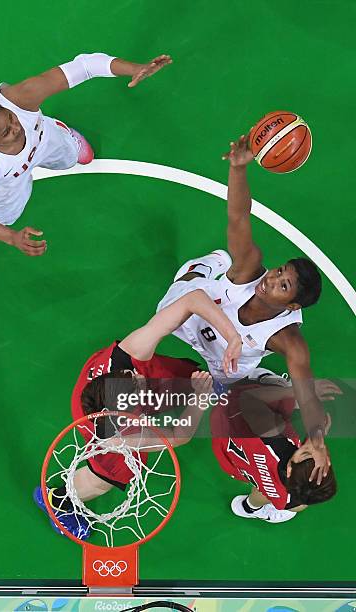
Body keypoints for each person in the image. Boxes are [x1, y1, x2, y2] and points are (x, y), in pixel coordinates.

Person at [156, 135, 330, 482]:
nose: (273, 279)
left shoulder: (287, 339)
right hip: (191, 317)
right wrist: (238, 169)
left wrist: (318, 439)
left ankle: (257, 383)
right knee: (176, 297)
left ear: (291, 304)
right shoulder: (251, 269)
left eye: (283, 285)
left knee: (232, 391)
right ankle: (207, 265)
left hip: (226, 365)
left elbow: (307, 394)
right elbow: (238, 217)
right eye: (281, 270)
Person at [34, 286, 242, 537]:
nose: (137, 375)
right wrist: (199, 399)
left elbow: (193, 299)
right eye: (136, 386)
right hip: (104, 429)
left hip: (102, 393)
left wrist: (233, 337)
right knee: (104, 478)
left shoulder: (127, 357)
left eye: (131, 377)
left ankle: (203, 384)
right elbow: (179, 435)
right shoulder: (117, 437)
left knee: (161, 374)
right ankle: (56, 500)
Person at [0, 52, 172, 260]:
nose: (16, 127)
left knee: (69, 155)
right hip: (3, 183)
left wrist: (134, 68)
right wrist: (11, 237)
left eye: (10, 118)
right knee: (3, 217)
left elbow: (85, 65)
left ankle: (59, 132)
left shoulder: (20, 99)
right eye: (6, 132)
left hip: (43, 141)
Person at [210, 379, 340, 523]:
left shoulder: (273, 433)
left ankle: (262, 379)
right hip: (237, 465)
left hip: (228, 418)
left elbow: (248, 399)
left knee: (281, 390)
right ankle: (248, 508)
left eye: (307, 453)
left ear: (290, 469)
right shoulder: (288, 499)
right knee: (275, 495)